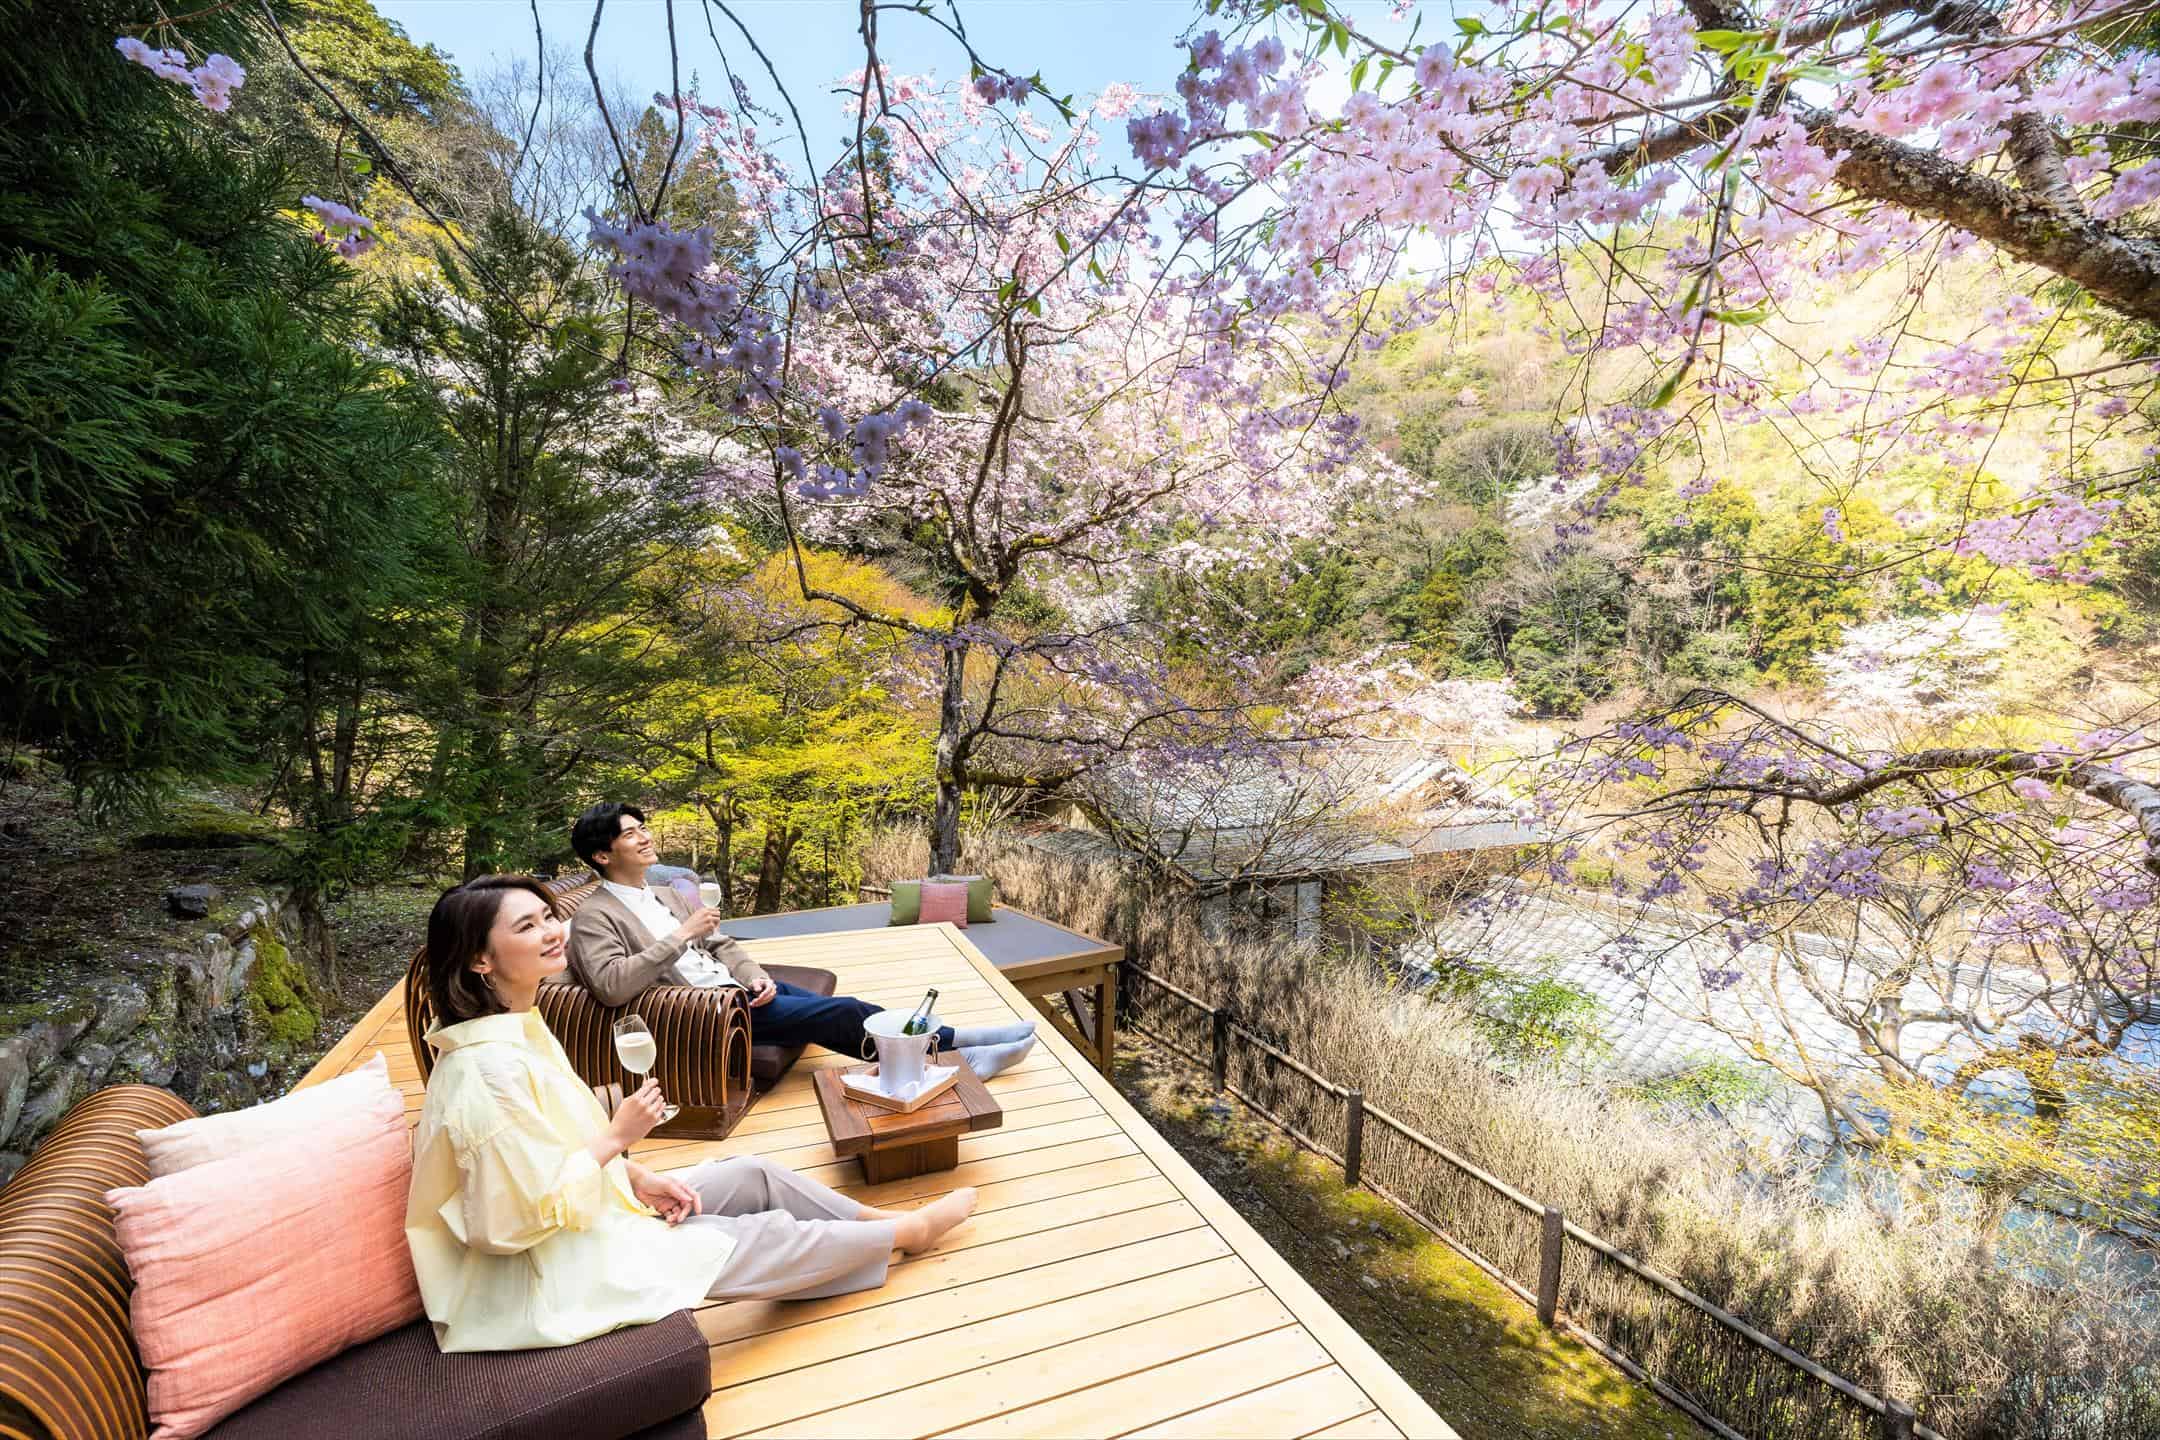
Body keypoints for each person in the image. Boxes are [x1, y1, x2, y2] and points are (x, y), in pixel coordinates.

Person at [405, 874, 979, 1352]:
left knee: (751, 1174)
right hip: (545, 1273)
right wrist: (615, 1140)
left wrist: (635, 1174)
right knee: (749, 1236)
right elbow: (507, 1224)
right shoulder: (485, 1074)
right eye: (526, 927)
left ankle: (872, 1223)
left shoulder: (519, 1027)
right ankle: (908, 1232)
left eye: (548, 917)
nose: (553, 932)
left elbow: (547, 1151)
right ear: (480, 959)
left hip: (588, 1208)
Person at [562, 802, 1035, 1077]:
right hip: (703, 1012)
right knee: (842, 1012)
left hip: (736, 991)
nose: (645, 837)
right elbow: (612, 986)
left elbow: (721, 945)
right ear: (602, 855)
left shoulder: (664, 893)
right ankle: (958, 1054)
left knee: (845, 1009)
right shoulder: (594, 916)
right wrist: (683, 935)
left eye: (643, 828)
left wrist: (755, 975)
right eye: (631, 834)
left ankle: (954, 1042)